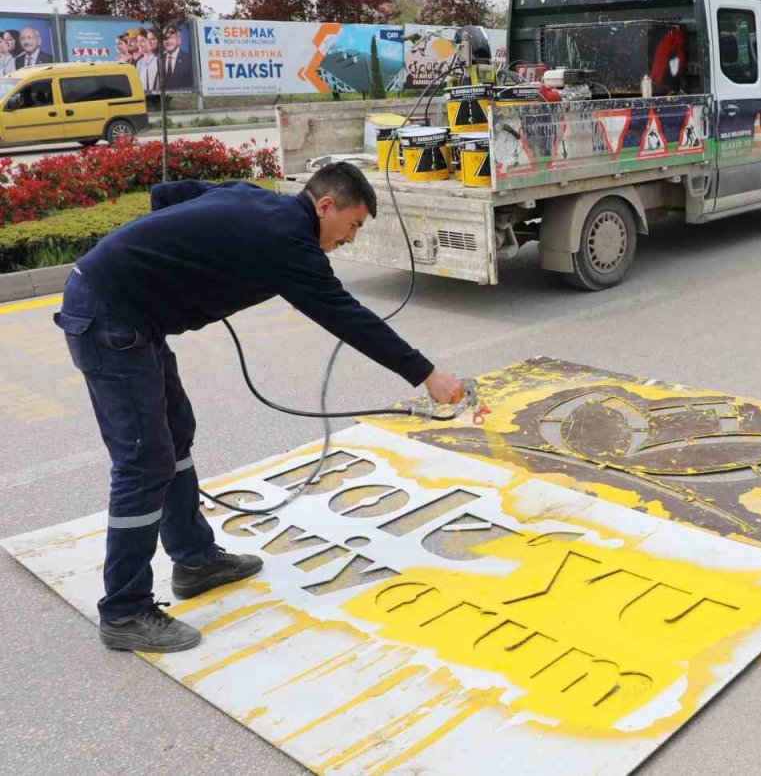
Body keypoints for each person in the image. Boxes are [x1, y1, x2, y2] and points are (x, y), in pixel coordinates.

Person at [54, 164, 465, 654]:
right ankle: (124, 610)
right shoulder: (288, 243)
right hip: (109, 318)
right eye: (353, 225)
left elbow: (169, 194)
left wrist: (175, 265)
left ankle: (195, 561)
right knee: (144, 462)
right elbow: (349, 318)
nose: (350, 239)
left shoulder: (259, 199)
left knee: (176, 433)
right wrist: (426, 374)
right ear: (325, 206)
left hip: (134, 316)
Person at [159, 24, 193, 89]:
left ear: (179, 40)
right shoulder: (159, 59)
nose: (167, 41)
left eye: (171, 37)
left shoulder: (189, 59)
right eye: (165, 38)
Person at [135, 26, 158, 91]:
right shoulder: (139, 62)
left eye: (142, 41)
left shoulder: (157, 59)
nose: (139, 44)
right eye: (138, 41)